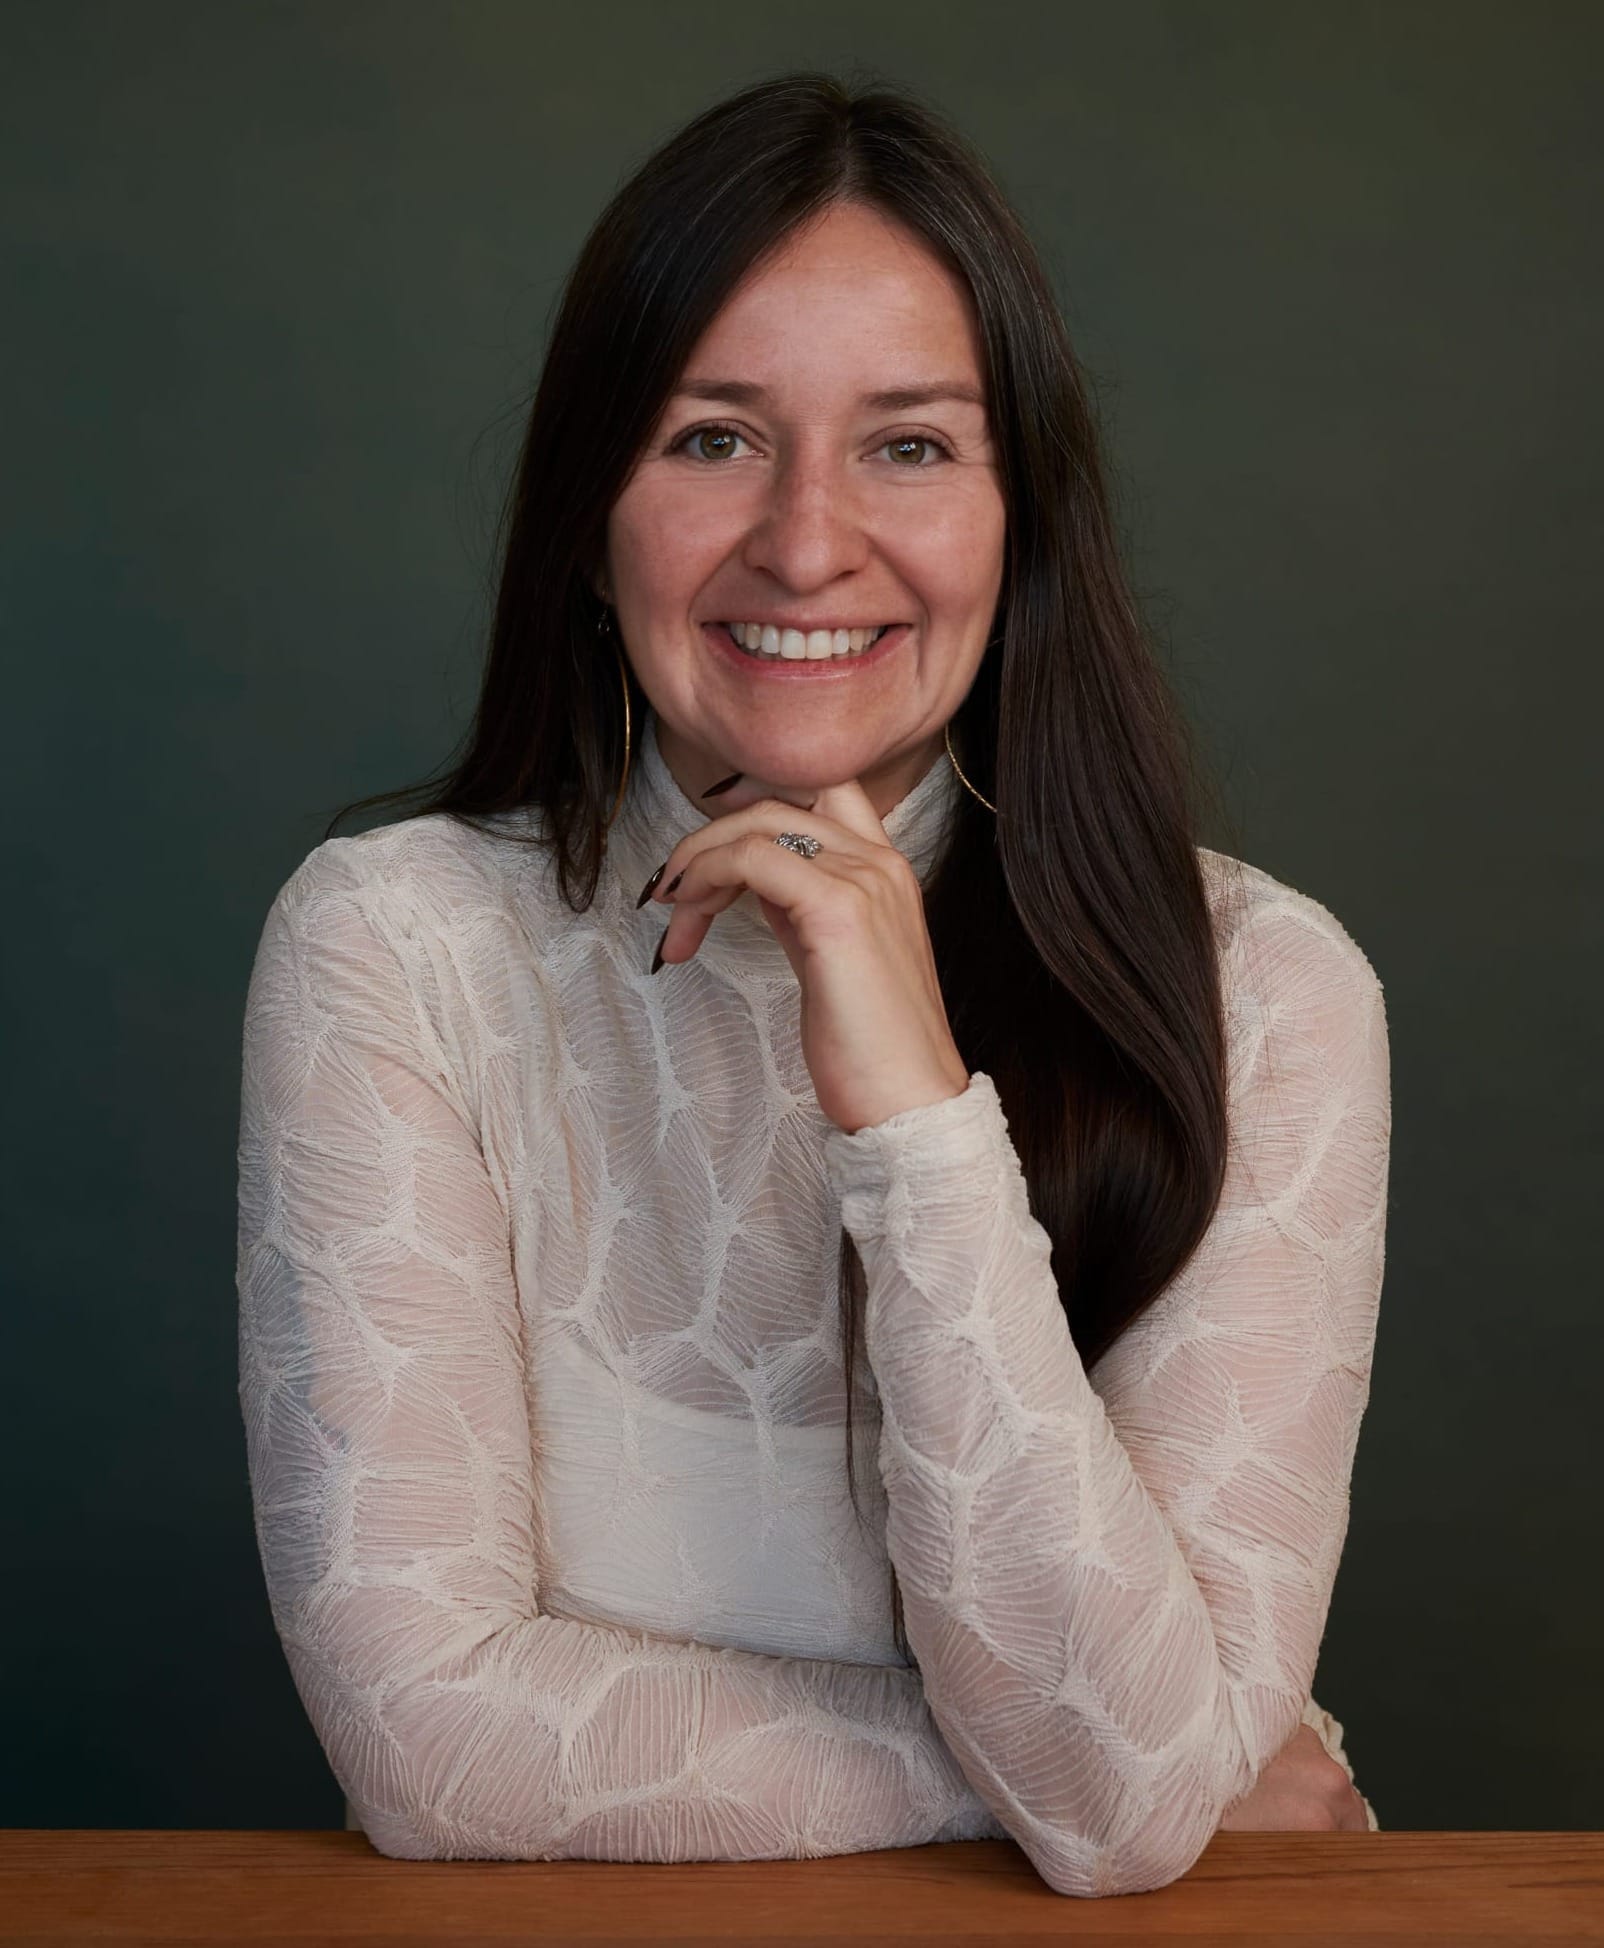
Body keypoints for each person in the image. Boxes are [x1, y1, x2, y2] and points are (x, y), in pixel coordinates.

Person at [235, 72, 1389, 1896]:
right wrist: (1070, 1770)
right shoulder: (397, 944)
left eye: (912, 445)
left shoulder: (1267, 989)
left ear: (1023, 519)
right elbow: (433, 1739)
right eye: (713, 437)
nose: (803, 540)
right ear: (589, 504)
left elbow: (1126, 1817)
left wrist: (920, 1122)